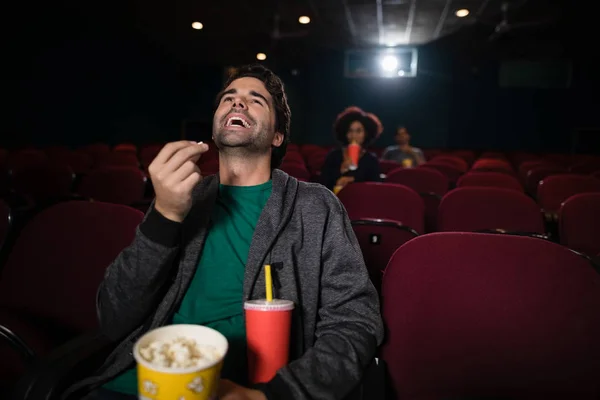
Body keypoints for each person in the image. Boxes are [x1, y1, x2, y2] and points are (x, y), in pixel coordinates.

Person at [70, 64, 383, 400]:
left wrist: (272, 395)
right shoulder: (179, 198)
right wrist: (165, 215)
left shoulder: (313, 206)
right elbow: (114, 318)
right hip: (138, 385)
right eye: (228, 98)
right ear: (216, 126)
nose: (238, 103)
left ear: (277, 135)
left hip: (245, 388)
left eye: (256, 100)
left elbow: (356, 322)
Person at [320, 106, 383, 191]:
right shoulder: (333, 156)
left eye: (358, 131)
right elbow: (322, 185)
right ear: (345, 133)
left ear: (366, 134)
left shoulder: (371, 160)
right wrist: (340, 171)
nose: (354, 136)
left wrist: (353, 180)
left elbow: (375, 187)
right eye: (350, 131)